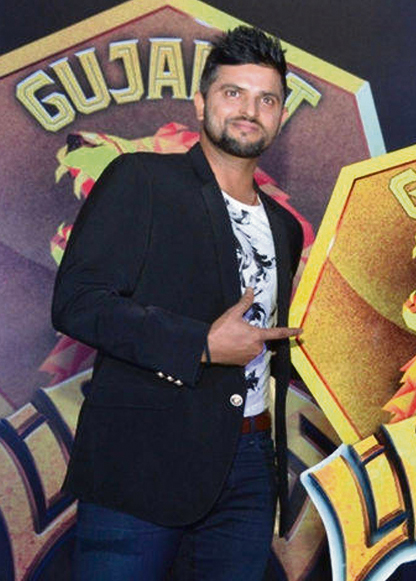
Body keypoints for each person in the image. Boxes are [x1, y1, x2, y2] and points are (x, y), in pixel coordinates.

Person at [51, 26, 304, 580]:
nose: (250, 110)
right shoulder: (141, 179)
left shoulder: (285, 227)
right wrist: (200, 345)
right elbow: (77, 302)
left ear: (281, 116)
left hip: (250, 464)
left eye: (266, 99)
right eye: (233, 93)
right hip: (141, 462)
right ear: (201, 103)